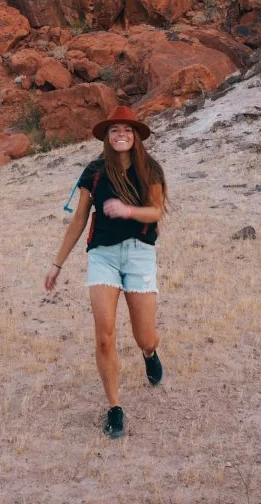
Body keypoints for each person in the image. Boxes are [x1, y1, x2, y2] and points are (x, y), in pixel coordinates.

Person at [44, 105, 168, 439]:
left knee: (145, 334)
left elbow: (155, 211)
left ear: (136, 135)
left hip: (139, 253)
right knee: (104, 335)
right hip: (102, 256)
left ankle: (150, 352)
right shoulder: (94, 172)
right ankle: (115, 407)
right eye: (115, 130)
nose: (121, 135)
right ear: (106, 136)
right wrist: (57, 264)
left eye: (127, 130)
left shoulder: (150, 169)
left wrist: (127, 210)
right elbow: (79, 219)